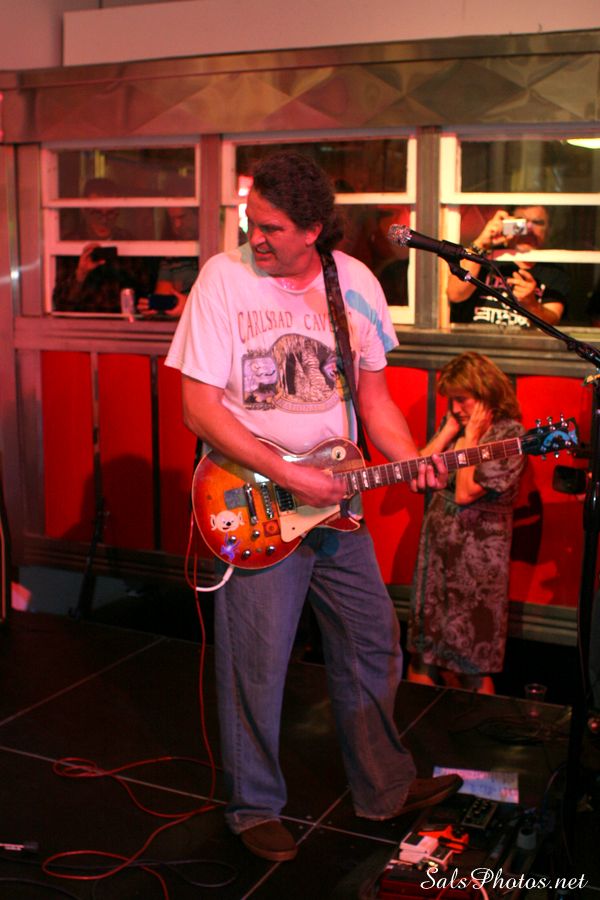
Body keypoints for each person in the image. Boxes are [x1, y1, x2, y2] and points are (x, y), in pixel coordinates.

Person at [165, 150, 461, 863]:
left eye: (271, 227)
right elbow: (198, 408)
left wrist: (412, 458)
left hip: (339, 506)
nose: (255, 237)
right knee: (257, 663)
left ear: (313, 230)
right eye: (252, 221)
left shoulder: (354, 283)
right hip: (257, 499)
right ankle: (253, 808)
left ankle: (384, 786)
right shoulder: (223, 279)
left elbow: (374, 399)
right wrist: (288, 476)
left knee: (372, 642)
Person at [407, 352, 526, 695]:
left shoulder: (508, 435)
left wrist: (470, 438)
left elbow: (464, 492)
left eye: (462, 399)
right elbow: (416, 474)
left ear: (485, 393)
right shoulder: (458, 428)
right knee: (423, 656)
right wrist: (448, 431)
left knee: (472, 663)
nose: (455, 408)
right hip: (437, 558)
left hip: (477, 565)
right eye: (451, 400)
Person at [447, 205, 569, 328]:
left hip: (521, 340)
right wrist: (481, 244)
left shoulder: (554, 271)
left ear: (548, 230)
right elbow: (455, 294)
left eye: (537, 223)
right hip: (474, 338)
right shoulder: (486, 257)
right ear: (507, 224)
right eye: (521, 222)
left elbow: (552, 323)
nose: (529, 229)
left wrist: (531, 304)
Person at [52, 177, 156, 313]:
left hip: (123, 322)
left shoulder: (128, 242)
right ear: (84, 210)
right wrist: (80, 274)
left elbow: (144, 294)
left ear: (118, 211)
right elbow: (60, 304)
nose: (104, 220)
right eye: (97, 213)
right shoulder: (69, 245)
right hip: (82, 323)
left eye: (111, 213)